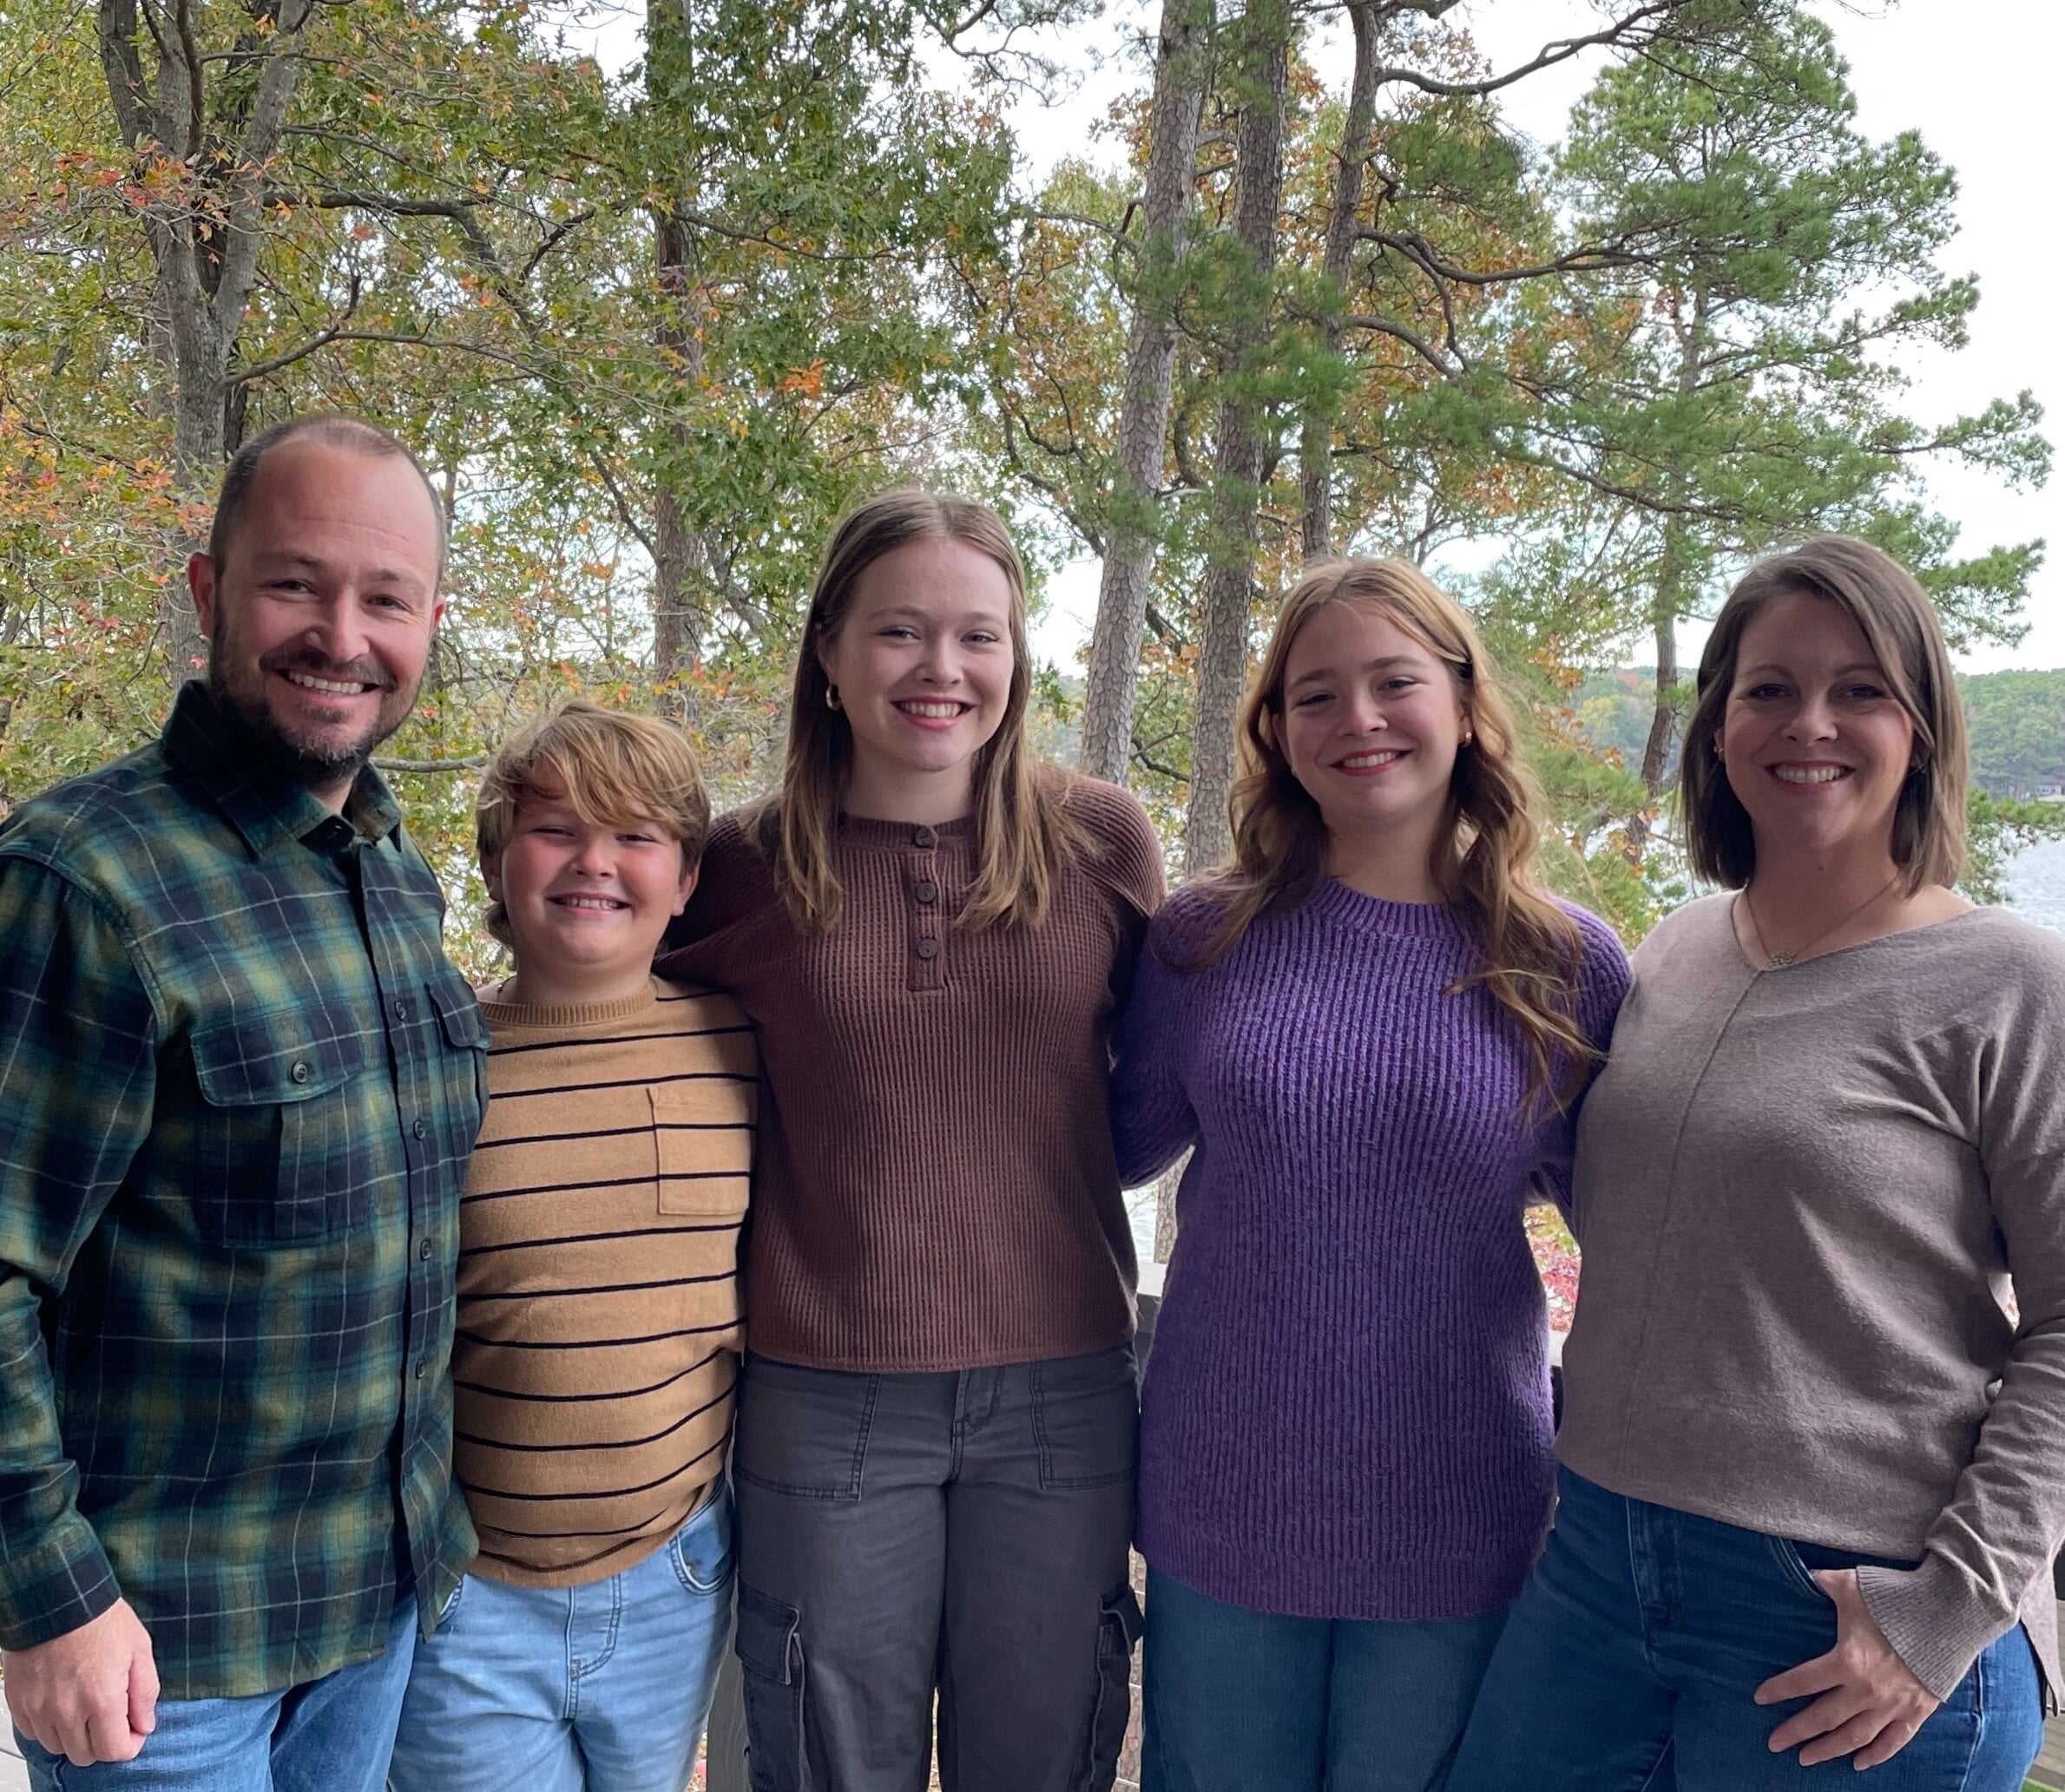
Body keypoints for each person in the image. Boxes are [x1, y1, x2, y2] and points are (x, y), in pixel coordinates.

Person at [1448, 535, 2065, 1792]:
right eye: (1769, 687)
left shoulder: (2007, 982)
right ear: (1717, 724)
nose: (1810, 723)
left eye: (1860, 690)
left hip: (1840, 1601)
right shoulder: (1671, 951)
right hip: (1592, 1563)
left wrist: (1942, 1612)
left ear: (1924, 727)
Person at [0, 415, 487, 1790]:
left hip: (374, 1610)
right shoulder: (81, 876)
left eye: (385, 599)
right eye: (295, 583)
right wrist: (46, 1593)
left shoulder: (391, 871)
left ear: (429, 622)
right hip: (165, 1653)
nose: (342, 633)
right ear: (211, 590)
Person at [654, 489, 1164, 1792]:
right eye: (898, 632)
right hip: (826, 1398)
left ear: (1015, 660)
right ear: (827, 652)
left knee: (1042, 1762)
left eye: (977, 637)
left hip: (1061, 1394)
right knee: (827, 1766)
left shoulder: (1100, 842)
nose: (941, 670)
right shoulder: (733, 869)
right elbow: (606, 1030)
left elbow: (1157, 1098)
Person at [1109, 559, 1629, 1792]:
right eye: (1315, 695)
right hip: (1221, 1495)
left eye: (1393, 681)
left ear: (1460, 705)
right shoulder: (1202, 938)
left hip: (1460, 1506)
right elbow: (1086, 1153)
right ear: (1275, 732)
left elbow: (1648, 1232)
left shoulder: (1559, 963)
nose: (1358, 720)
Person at [387, 700, 754, 1792]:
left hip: (676, 1575)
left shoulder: (742, 1040)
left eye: (637, 835)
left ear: (686, 878)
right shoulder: (432, 1061)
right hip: (472, 1596)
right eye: (556, 829)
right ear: (498, 862)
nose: (596, 861)